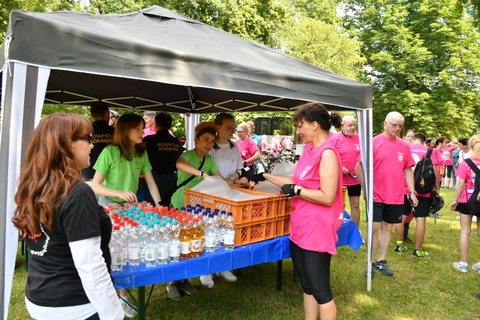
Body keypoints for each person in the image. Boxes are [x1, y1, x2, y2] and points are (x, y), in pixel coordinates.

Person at [12, 113, 124, 320]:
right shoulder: (76, 191)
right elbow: (90, 264)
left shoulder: (34, 184)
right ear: (65, 144)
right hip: (75, 305)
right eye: (88, 139)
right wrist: (114, 313)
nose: (92, 146)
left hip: (40, 296)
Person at [251, 102, 343, 320]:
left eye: (300, 126)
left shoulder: (328, 153)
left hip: (317, 229)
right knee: (307, 285)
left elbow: (327, 196)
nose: (298, 131)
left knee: (321, 291)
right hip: (300, 226)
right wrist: (264, 176)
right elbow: (295, 180)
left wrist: (297, 191)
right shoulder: (310, 150)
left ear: (314, 125)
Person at [91, 113, 161, 317]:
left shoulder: (141, 152)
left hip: (131, 207)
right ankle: (112, 296)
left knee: (128, 249)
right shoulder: (109, 152)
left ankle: (124, 295)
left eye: (142, 128)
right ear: (125, 131)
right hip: (109, 206)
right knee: (110, 251)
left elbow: (150, 181)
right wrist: (118, 194)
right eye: (137, 129)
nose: (142, 132)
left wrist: (158, 205)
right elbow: (95, 186)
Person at [364, 112, 418, 277]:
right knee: (374, 227)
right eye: (394, 125)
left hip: (395, 194)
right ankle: (370, 262)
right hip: (376, 193)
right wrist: (366, 188)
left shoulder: (404, 145)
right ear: (385, 123)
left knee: (387, 227)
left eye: (400, 125)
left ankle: (381, 261)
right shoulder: (374, 142)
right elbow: (361, 166)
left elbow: (408, 169)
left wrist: (412, 191)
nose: (397, 128)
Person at [200, 113, 249, 289]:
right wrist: (233, 180)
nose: (232, 131)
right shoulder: (210, 148)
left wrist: (236, 177)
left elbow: (239, 169)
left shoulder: (234, 146)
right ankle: (206, 270)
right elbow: (213, 176)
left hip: (230, 194)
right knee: (209, 230)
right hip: (210, 196)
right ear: (218, 127)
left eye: (234, 128)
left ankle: (224, 267)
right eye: (229, 128)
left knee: (228, 231)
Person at [394, 133, 439, 257]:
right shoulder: (429, 150)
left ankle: (399, 245)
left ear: (413, 139)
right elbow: (434, 170)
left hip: (405, 188)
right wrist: (436, 188)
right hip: (422, 189)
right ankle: (418, 250)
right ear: (424, 142)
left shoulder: (405, 148)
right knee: (420, 219)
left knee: (401, 218)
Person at [450, 134, 480, 273]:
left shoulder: (466, 163)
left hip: (466, 199)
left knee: (465, 232)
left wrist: (455, 200)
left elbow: (460, 184)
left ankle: (463, 263)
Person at [143, 112, 183, 207]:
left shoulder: (149, 140)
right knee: (170, 210)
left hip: (155, 179)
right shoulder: (176, 141)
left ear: (155, 123)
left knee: (154, 210)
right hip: (174, 178)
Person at [330, 115, 361, 227]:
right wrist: (339, 167)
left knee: (355, 204)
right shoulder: (335, 139)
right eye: (349, 125)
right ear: (342, 126)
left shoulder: (359, 137)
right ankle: (336, 228)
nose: (352, 127)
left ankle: (356, 230)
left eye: (354, 125)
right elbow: (328, 156)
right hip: (339, 179)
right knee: (338, 205)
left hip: (355, 178)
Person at [82, 102, 114, 181]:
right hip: (110, 177)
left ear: (91, 115)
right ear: (107, 114)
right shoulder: (116, 132)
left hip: (88, 175)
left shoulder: (83, 131)